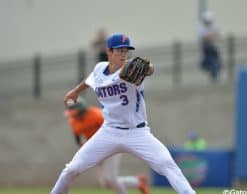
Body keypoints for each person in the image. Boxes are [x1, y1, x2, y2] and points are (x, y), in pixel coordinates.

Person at [51, 33, 196, 194]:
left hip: (137, 132)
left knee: (167, 165)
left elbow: (149, 70)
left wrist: (148, 68)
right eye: (120, 50)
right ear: (109, 51)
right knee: (72, 169)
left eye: (126, 50)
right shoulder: (99, 69)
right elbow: (89, 81)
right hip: (109, 132)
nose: (124, 53)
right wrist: (75, 92)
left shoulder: (132, 70)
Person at [64, 97, 149, 194]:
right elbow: (78, 140)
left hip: (112, 145)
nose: (72, 113)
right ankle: (137, 181)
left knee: (111, 179)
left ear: (81, 109)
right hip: (98, 149)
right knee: (106, 183)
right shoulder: (73, 121)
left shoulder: (96, 114)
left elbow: (114, 128)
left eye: (73, 110)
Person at [198, 11, 221, 81]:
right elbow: (206, 37)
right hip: (206, 47)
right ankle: (213, 73)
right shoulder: (202, 28)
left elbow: (216, 36)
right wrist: (212, 35)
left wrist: (211, 36)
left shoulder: (212, 27)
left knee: (216, 61)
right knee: (208, 62)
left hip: (212, 47)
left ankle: (214, 75)